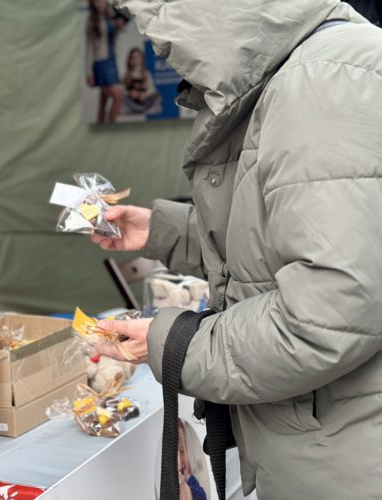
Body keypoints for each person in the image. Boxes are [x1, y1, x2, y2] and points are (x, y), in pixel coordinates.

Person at [91, 1, 382, 498]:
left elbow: (326, 315)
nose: (160, 48)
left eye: (160, 26)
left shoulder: (318, 83)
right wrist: (167, 231)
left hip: (345, 458)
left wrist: (173, 344)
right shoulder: (308, 69)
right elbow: (289, 239)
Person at [85, 0, 127, 123]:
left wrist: (119, 26)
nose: (99, 4)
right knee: (118, 96)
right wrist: (89, 71)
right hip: (101, 62)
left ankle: (101, 125)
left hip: (111, 58)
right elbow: (89, 46)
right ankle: (111, 127)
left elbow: (116, 34)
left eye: (101, 1)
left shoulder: (110, 16)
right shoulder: (91, 20)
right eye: (96, 2)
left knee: (103, 101)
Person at [121, 47, 161, 114]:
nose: (136, 60)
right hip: (132, 101)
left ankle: (147, 108)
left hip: (144, 100)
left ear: (142, 59)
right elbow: (123, 90)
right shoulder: (127, 75)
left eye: (138, 57)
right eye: (134, 58)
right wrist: (130, 94)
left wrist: (145, 94)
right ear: (130, 60)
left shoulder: (146, 74)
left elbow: (152, 89)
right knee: (121, 98)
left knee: (156, 95)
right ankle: (134, 109)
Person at [177, 419, 207, 500]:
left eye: (182, 451)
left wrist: (188, 490)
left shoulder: (191, 480)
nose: (179, 462)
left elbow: (203, 496)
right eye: (173, 456)